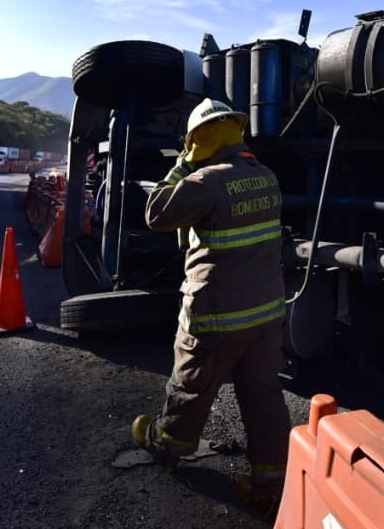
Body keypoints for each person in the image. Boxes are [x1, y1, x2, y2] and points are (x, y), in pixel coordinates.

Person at [131, 98, 291, 511]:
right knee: (263, 396)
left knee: (192, 382)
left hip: (217, 314)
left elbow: (156, 212)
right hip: (266, 315)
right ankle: (270, 482)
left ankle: (168, 442)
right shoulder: (267, 177)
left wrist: (184, 164)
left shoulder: (205, 182)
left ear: (200, 139)